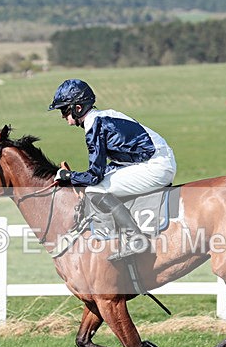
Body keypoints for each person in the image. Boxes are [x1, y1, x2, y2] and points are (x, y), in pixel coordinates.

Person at [48, 78, 177, 261]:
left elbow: (94, 177)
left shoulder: (94, 124)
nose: (63, 117)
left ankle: (136, 239)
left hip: (155, 166)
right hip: (156, 160)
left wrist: (69, 176)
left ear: (77, 108)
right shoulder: (104, 116)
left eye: (64, 110)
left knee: (95, 190)